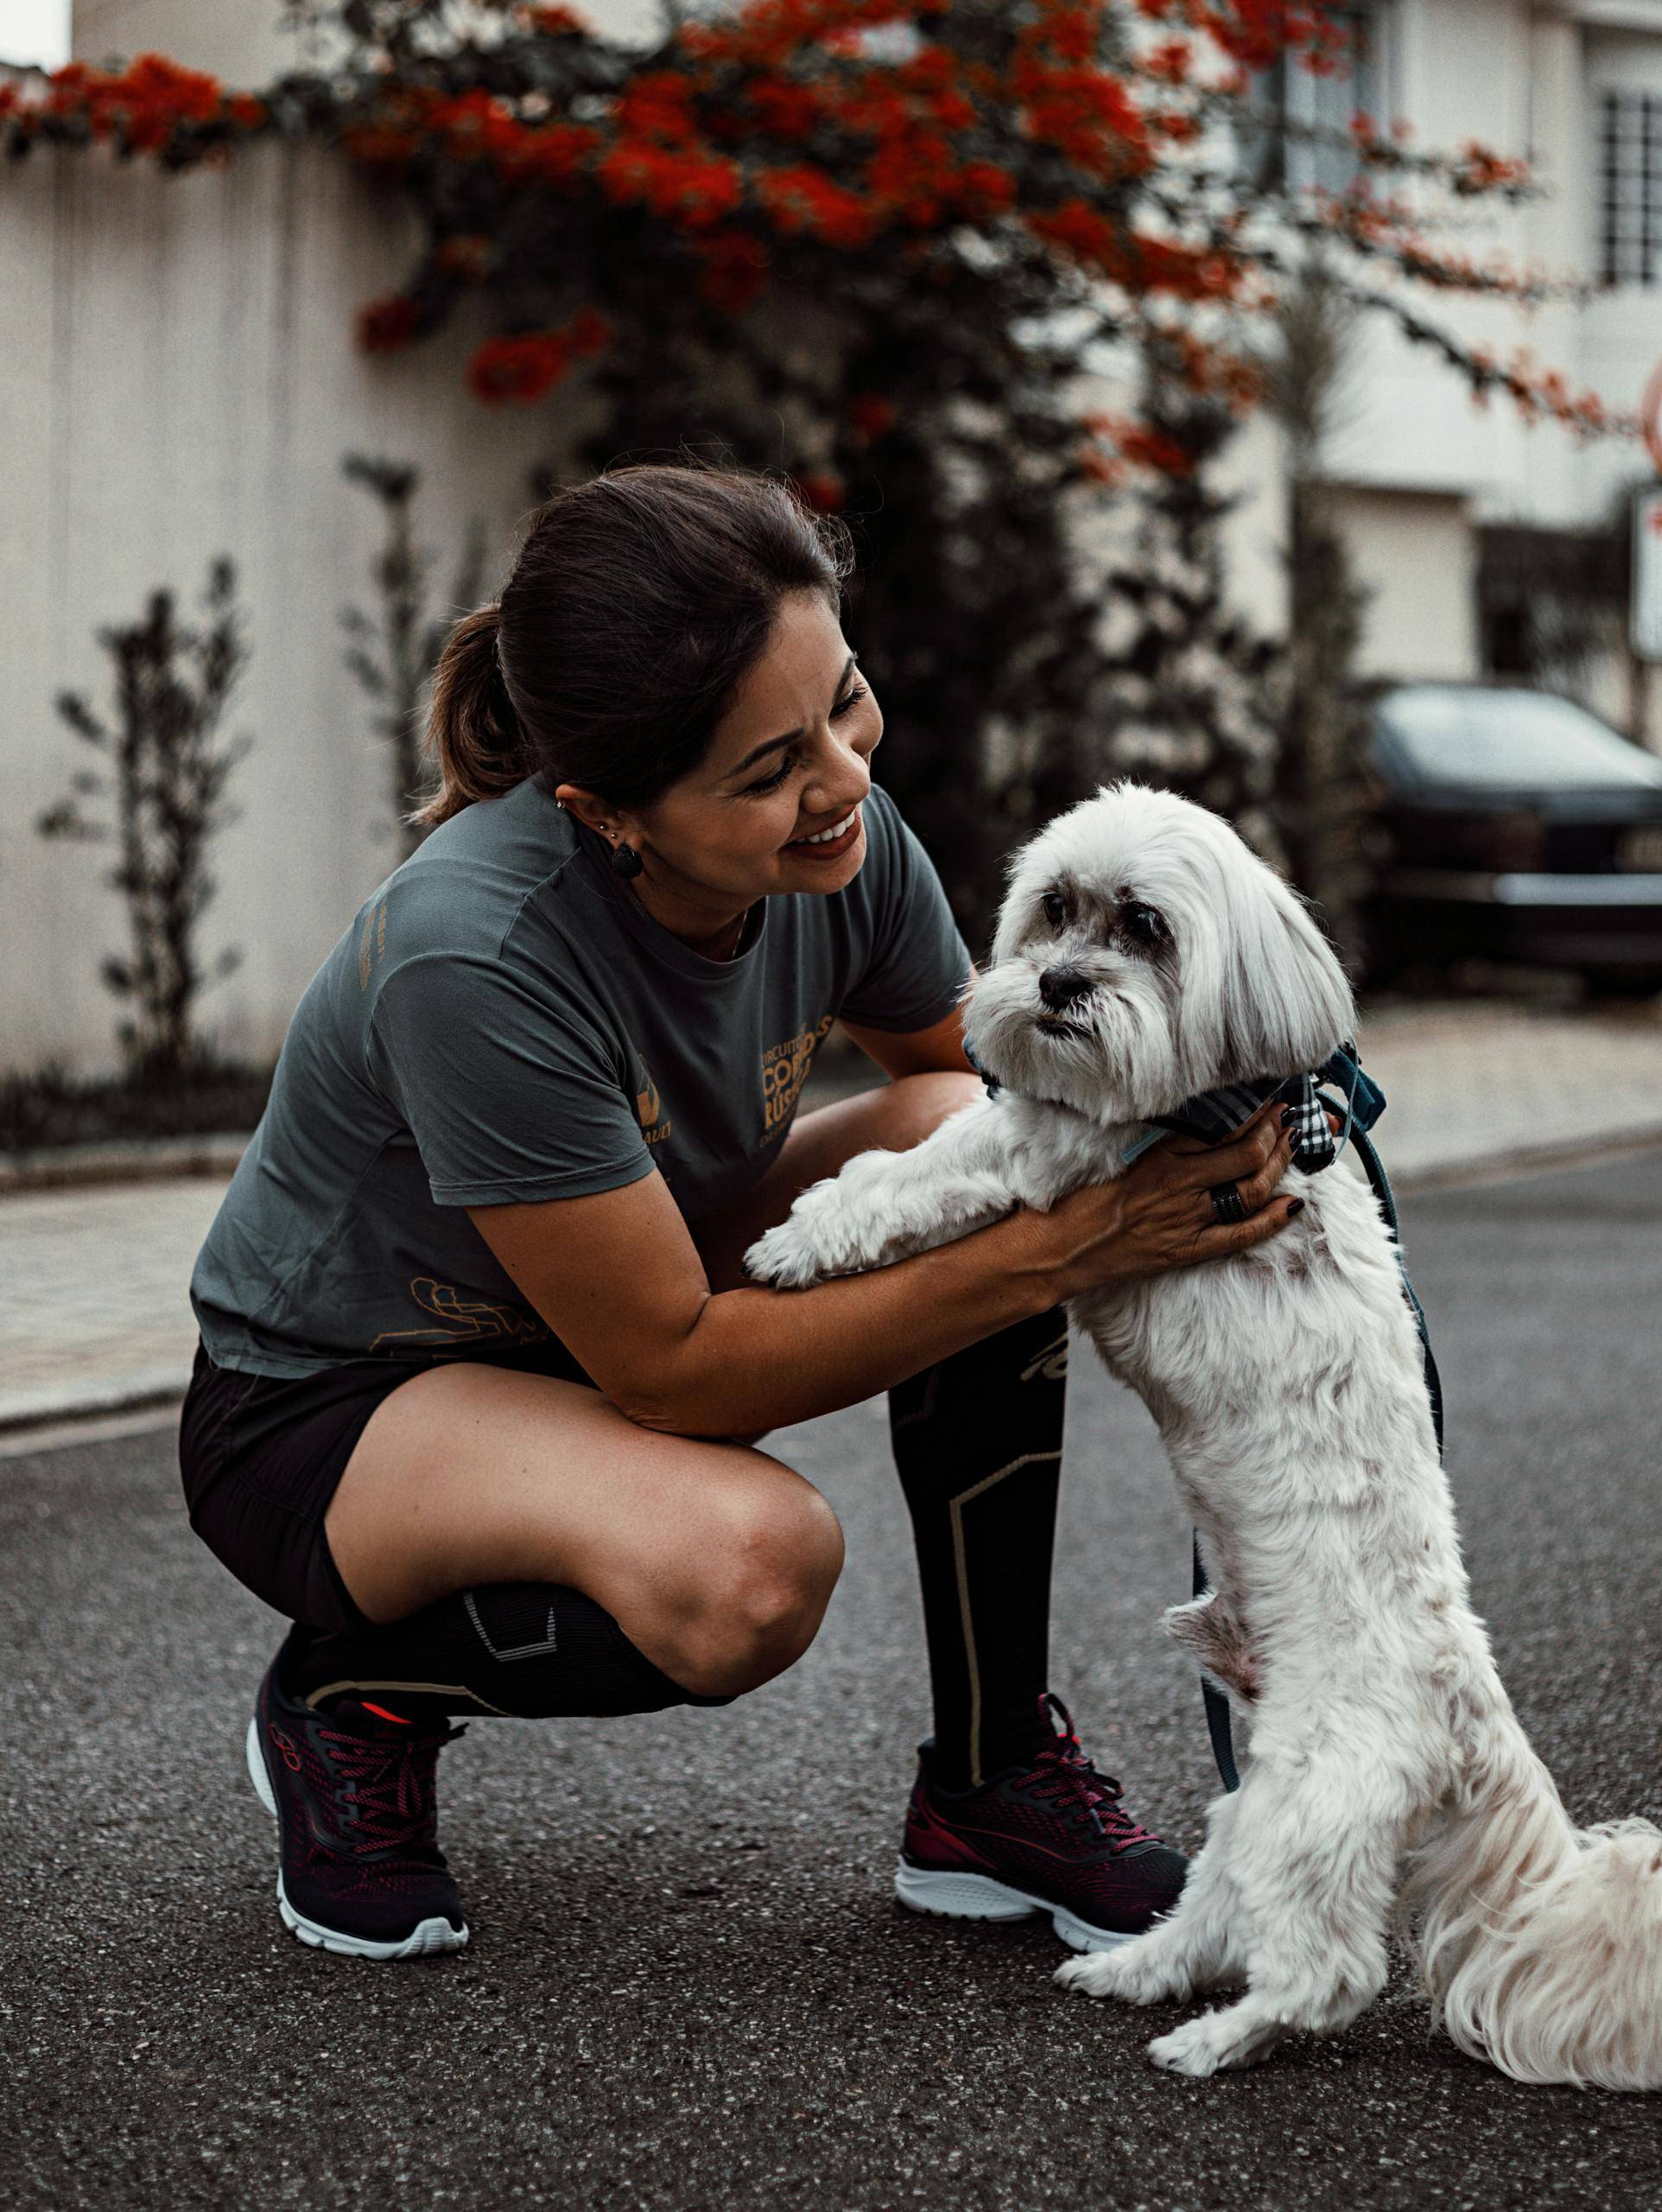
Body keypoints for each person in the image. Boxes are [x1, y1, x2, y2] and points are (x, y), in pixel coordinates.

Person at [178, 461, 1302, 1962]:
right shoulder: (476, 950)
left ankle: (993, 1783)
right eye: (767, 768)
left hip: (609, 1303)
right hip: (330, 1406)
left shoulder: (841, 833)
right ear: (609, 812)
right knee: (745, 1576)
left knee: (972, 1138)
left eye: (844, 701)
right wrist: (1070, 1244)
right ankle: (350, 1698)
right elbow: (675, 1372)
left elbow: (976, 1111)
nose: (840, 780)